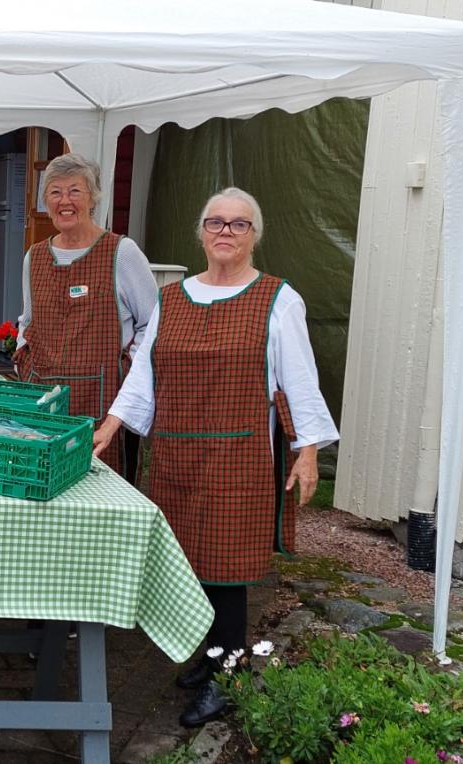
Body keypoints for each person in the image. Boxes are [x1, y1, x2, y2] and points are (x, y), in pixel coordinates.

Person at [94, 187, 339, 727]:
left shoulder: (278, 298)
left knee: (228, 571)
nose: (226, 231)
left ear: (255, 236)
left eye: (239, 224)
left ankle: (228, 674)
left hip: (240, 456)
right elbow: (145, 374)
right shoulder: (173, 297)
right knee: (189, 562)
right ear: (201, 232)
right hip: (177, 453)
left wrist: (308, 452)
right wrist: (112, 423)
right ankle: (208, 658)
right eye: (216, 222)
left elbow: (299, 380)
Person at [14, 153, 158, 481]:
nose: (65, 201)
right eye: (55, 192)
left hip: (104, 401)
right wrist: (24, 354)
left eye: (75, 191)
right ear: (45, 201)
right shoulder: (34, 256)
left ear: (93, 198)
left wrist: (128, 370)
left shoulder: (121, 253)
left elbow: (153, 323)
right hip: (44, 399)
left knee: (104, 488)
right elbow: (27, 318)